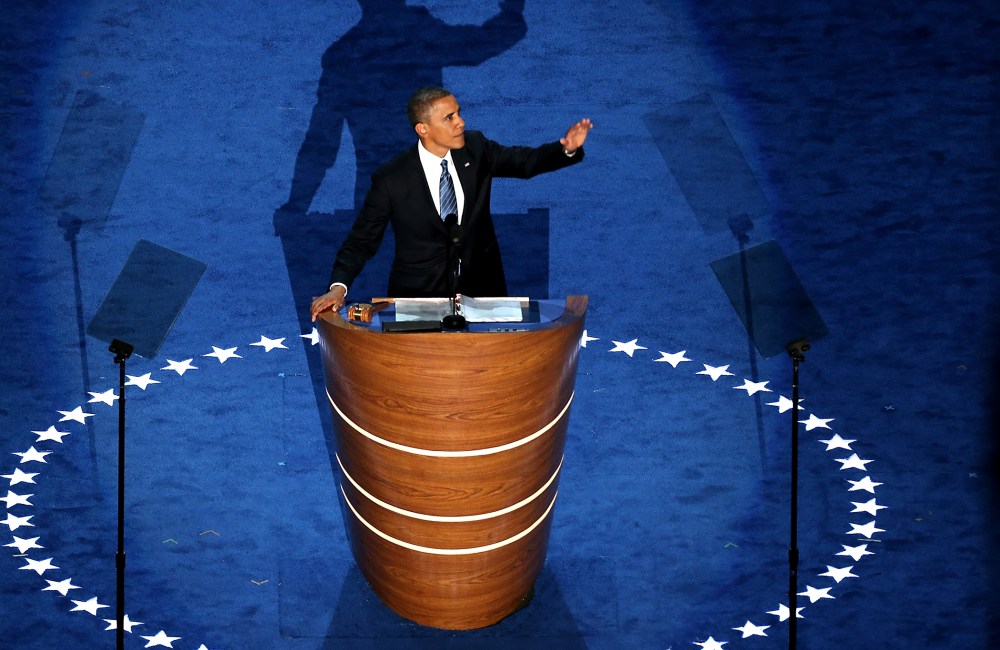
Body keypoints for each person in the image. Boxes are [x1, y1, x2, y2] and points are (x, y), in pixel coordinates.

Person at [310, 86, 592, 321]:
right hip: (419, 296)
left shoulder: (476, 147)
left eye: (458, 113)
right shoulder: (392, 179)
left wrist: (565, 149)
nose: (461, 122)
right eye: (449, 118)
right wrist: (339, 287)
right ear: (423, 129)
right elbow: (362, 240)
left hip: (484, 289)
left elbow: (525, 162)